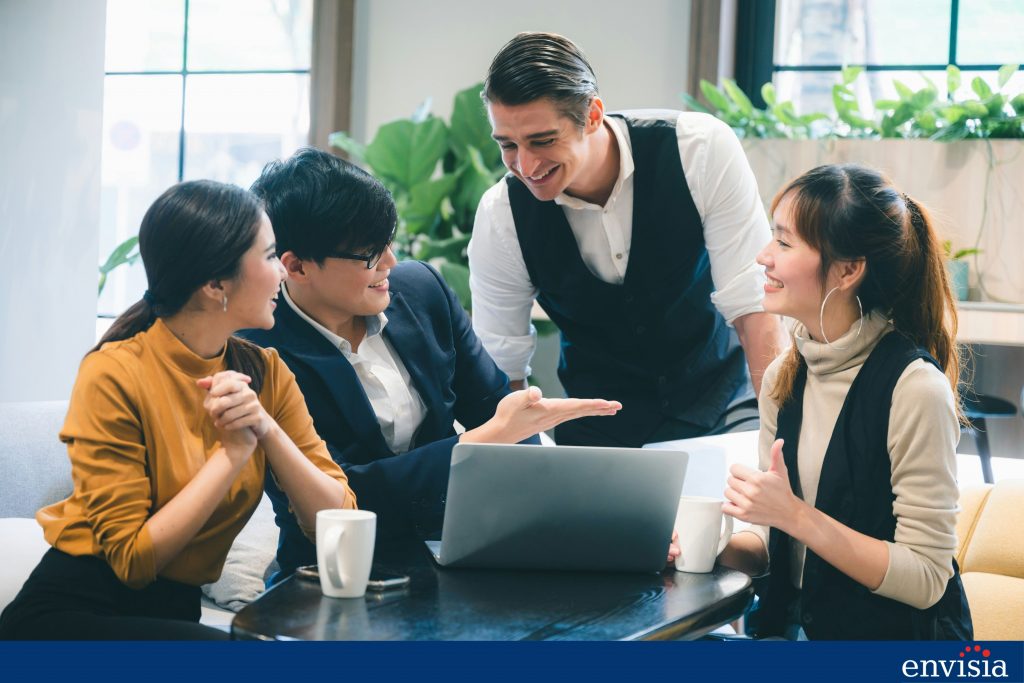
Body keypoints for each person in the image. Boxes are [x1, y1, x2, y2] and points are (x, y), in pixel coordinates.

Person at [243, 148, 623, 582]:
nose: (389, 262)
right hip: (333, 570)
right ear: (297, 266)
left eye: (389, 240)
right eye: (369, 253)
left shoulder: (420, 291)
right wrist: (481, 442)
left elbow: (499, 410)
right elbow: (346, 495)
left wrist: (557, 520)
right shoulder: (258, 355)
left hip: (460, 546)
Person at [0, 180, 356, 640]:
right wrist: (230, 456)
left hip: (174, 613)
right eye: (270, 256)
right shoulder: (114, 373)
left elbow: (338, 517)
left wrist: (266, 428)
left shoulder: (266, 374)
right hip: (75, 614)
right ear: (214, 284)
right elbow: (131, 561)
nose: (283, 272)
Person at [468, 32, 788, 448]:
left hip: (723, 406)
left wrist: (778, 438)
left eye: (543, 141)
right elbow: (502, 364)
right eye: (508, 145)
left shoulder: (700, 150)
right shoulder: (502, 215)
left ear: (593, 115)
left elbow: (753, 308)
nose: (525, 165)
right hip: (599, 430)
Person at [719, 164, 973, 640]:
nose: (763, 257)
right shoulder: (785, 376)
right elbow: (778, 545)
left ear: (848, 269)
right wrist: (713, 549)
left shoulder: (914, 387)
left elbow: (925, 577)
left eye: (784, 242)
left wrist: (794, 515)